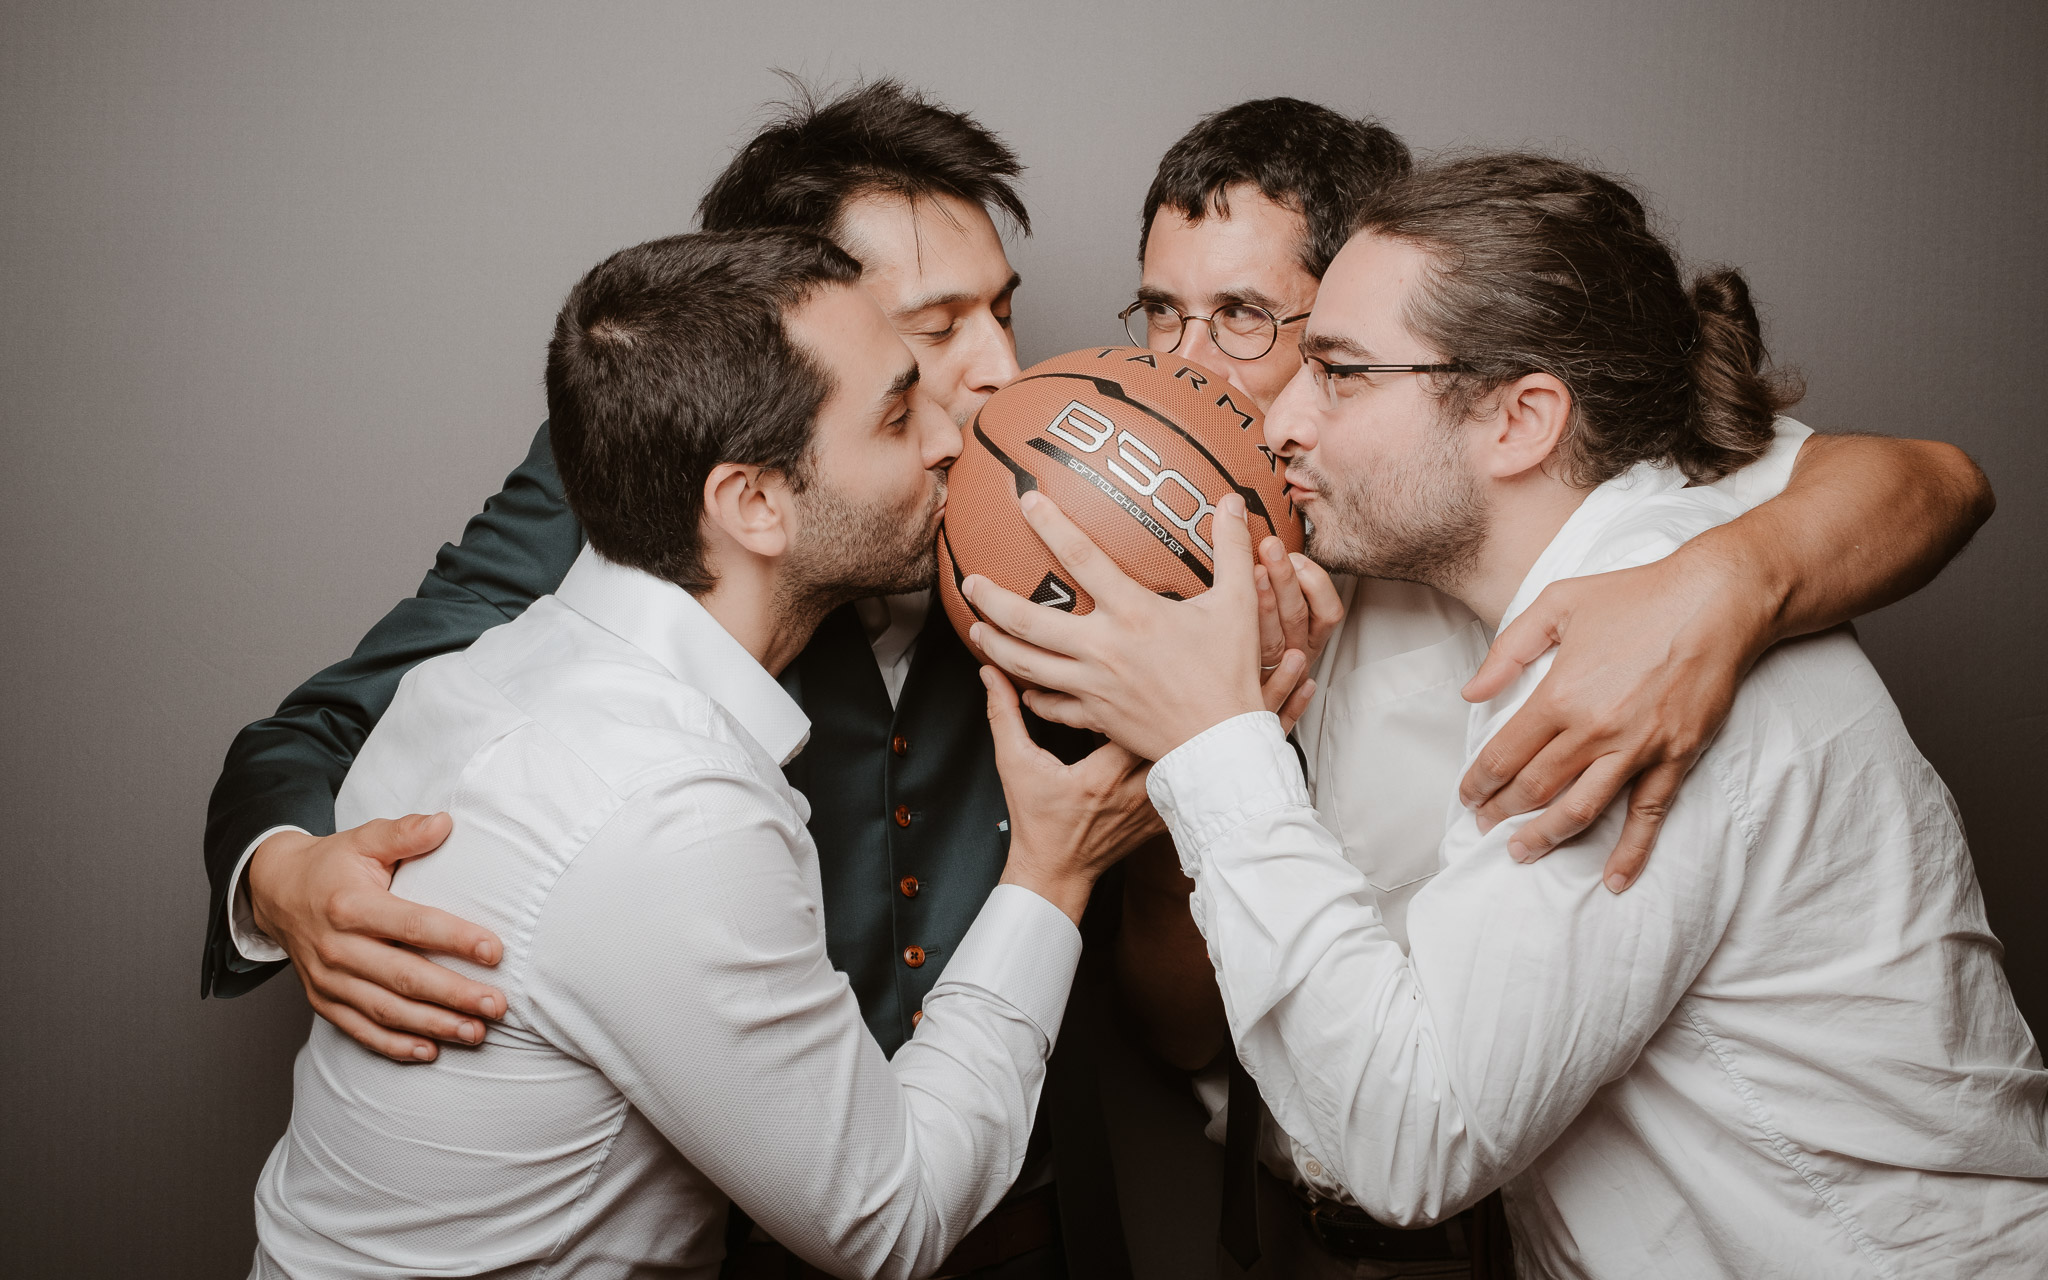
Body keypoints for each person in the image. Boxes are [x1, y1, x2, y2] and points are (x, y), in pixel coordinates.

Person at [961, 152, 2048, 1278]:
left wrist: (1213, 736)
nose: (1276, 413)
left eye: (1333, 370)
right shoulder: (1586, 581)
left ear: (1520, 420)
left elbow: (1408, 1141)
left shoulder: (1623, 662)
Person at [207, 83, 1154, 1279]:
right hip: (778, 1220)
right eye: (929, 333)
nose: (998, 372)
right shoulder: (635, 480)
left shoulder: (1074, 493)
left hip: (1008, 1191)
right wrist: (286, 869)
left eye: (1002, 312)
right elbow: (330, 726)